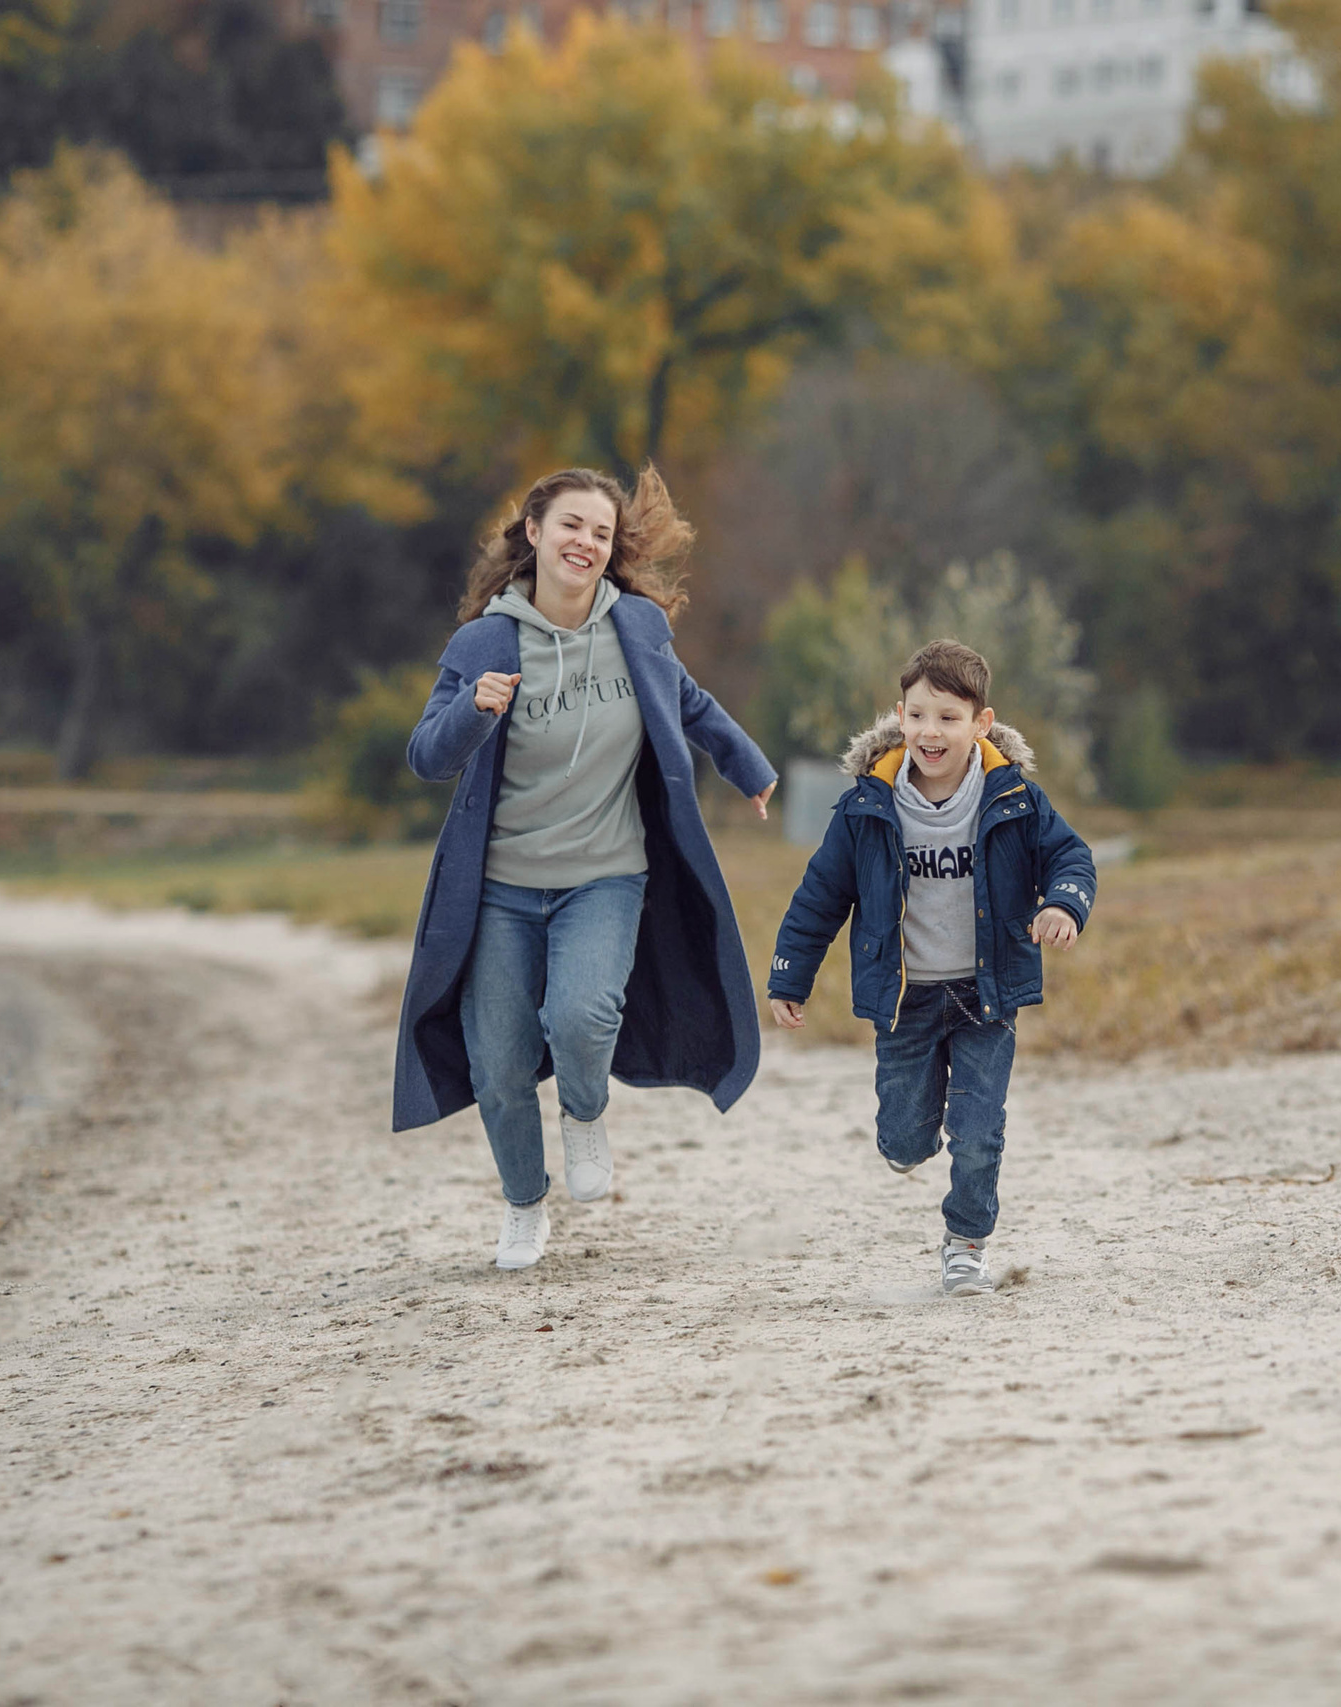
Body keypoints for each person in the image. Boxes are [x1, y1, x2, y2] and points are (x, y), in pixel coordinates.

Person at [394, 467, 777, 1270]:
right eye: (571, 525)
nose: (585, 543)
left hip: (606, 873)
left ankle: (584, 1109)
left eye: (601, 533)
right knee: (496, 1063)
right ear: (533, 532)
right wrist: (473, 710)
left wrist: (751, 768)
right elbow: (427, 754)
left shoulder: (636, 627)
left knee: (581, 1016)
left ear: (612, 549)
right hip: (500, 887)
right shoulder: (484, 643)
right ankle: (526, 1206)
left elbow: (691, 704)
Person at [766, 640, 1097, 1296]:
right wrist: (788, 974)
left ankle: (965, 1245)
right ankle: (909, 1138)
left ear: (982, 722)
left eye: (948, 717)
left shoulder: (1016, 799)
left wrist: (1064, 904)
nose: (930, 731)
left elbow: (1072, 859)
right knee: (905, 1142)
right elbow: (820, 895)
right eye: (918, 715)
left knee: (978, 1133)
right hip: (906, 1002)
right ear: (899, 715)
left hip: (986, 996)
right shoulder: (868, 805)